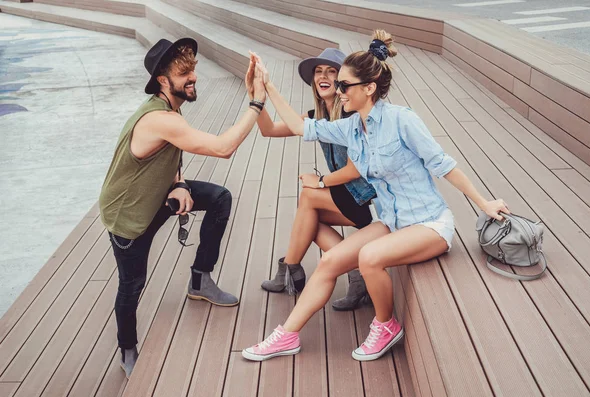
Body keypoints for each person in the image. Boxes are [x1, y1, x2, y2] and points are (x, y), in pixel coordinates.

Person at [243, 30, 509, 362]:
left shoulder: (403, 120)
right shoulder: (352, 127)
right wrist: (265, 88)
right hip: (392, 222)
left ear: (369, 88)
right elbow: (301, 128)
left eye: (344, 85)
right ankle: (286, 336)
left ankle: (385, 325)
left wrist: (484, 203)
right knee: (329, 262)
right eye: (337, 85)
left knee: (369, 257)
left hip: (429, 226)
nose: (338, 91)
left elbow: (443, 165)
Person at [98, 38, 265, 377]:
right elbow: (222, 148)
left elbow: (173, 149)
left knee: (219, 198)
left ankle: (200, 281)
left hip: (159, 195)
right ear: (163, 79)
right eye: (184, 72)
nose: (193, 78)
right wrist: (256, 103)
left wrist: (178, 182)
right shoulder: (160, 117)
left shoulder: (169, 109)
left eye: (193, 70)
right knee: (131, 285)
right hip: (128, 215)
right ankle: (127, 348)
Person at [247, 48, 376, 310]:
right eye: (319, 72)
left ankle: (290, 271)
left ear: (343, 81)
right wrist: (255, 95)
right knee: (308, 219)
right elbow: (268, 130)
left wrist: (319, 182)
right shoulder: (316, 116)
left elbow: (355, 171)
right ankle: (355, 272)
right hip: (349, 196)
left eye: (331, 71)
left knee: (308, 198)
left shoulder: (351, 117)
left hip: (369, 200)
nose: (323, 76)